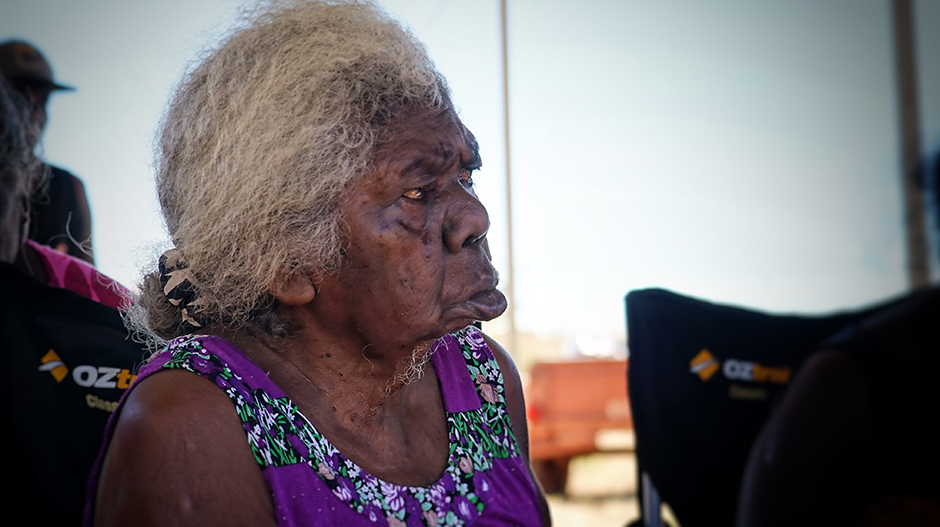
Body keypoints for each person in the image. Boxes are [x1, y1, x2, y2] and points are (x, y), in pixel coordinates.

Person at [86, 2, 550, 526]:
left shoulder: (481, 376)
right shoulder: (190, 426)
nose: (476, 218)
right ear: (286, 261)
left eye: (466, 176)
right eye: (418, 192)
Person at [1, 79, 144, 526]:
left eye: (40, 97)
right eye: (22, 94)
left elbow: (83, 270)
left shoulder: (64, 186)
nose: (33, 109)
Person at [0, 39, 94, 264]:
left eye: (43, 102)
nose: (36, 114)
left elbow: (91, 280)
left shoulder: (69, 187)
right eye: (20, 97)